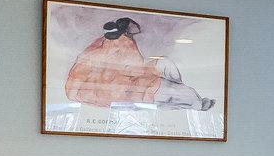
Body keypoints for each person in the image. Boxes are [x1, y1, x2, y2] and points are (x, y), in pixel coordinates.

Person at [63, 16, 213, 109]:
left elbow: (129, 68)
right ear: (126, 31)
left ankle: (183, 94)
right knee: (178, 88)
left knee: (165, 64)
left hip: (111, 84)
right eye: (133, 33)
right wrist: (151, 71)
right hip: (124, 88)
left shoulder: (99, 44)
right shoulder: (123, 42)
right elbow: (134, 70)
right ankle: (195, 102)